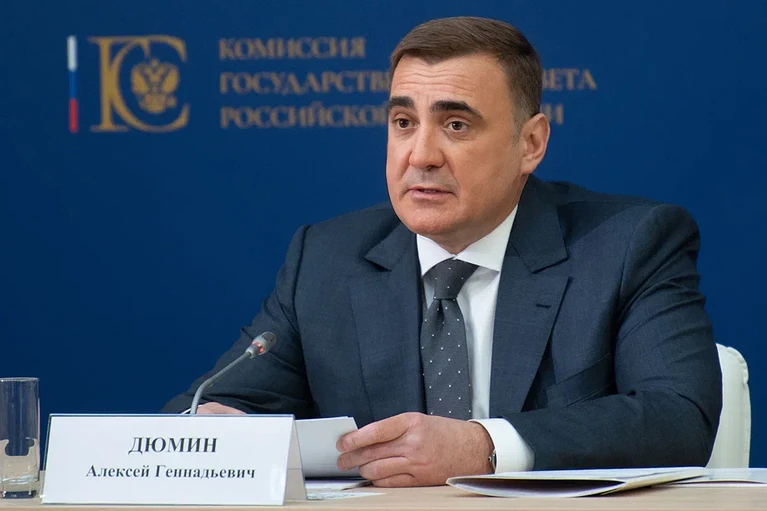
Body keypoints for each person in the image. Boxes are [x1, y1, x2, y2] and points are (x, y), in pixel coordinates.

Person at [163, 16, 722, 487]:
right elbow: (206, 411)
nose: (421, 154)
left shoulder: (628, 244)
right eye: (403, 122)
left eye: (456, 125)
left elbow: (678, 419)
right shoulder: (326, 260)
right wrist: (210, 432)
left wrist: (483, 446)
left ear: (531, 144)